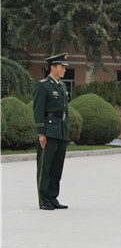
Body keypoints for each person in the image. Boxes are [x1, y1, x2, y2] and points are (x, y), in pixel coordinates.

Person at [33, 53, 71, 210]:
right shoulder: (43, 86)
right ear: (52, 67)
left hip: (61, 131)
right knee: (45, 167)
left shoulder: (62, 86)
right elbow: (38, 110)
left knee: (57, 168)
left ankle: (53, 197)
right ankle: (44, 199)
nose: (64, 70)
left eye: (64, 67)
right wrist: (41, 133)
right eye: (62, 67)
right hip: (49, 131)